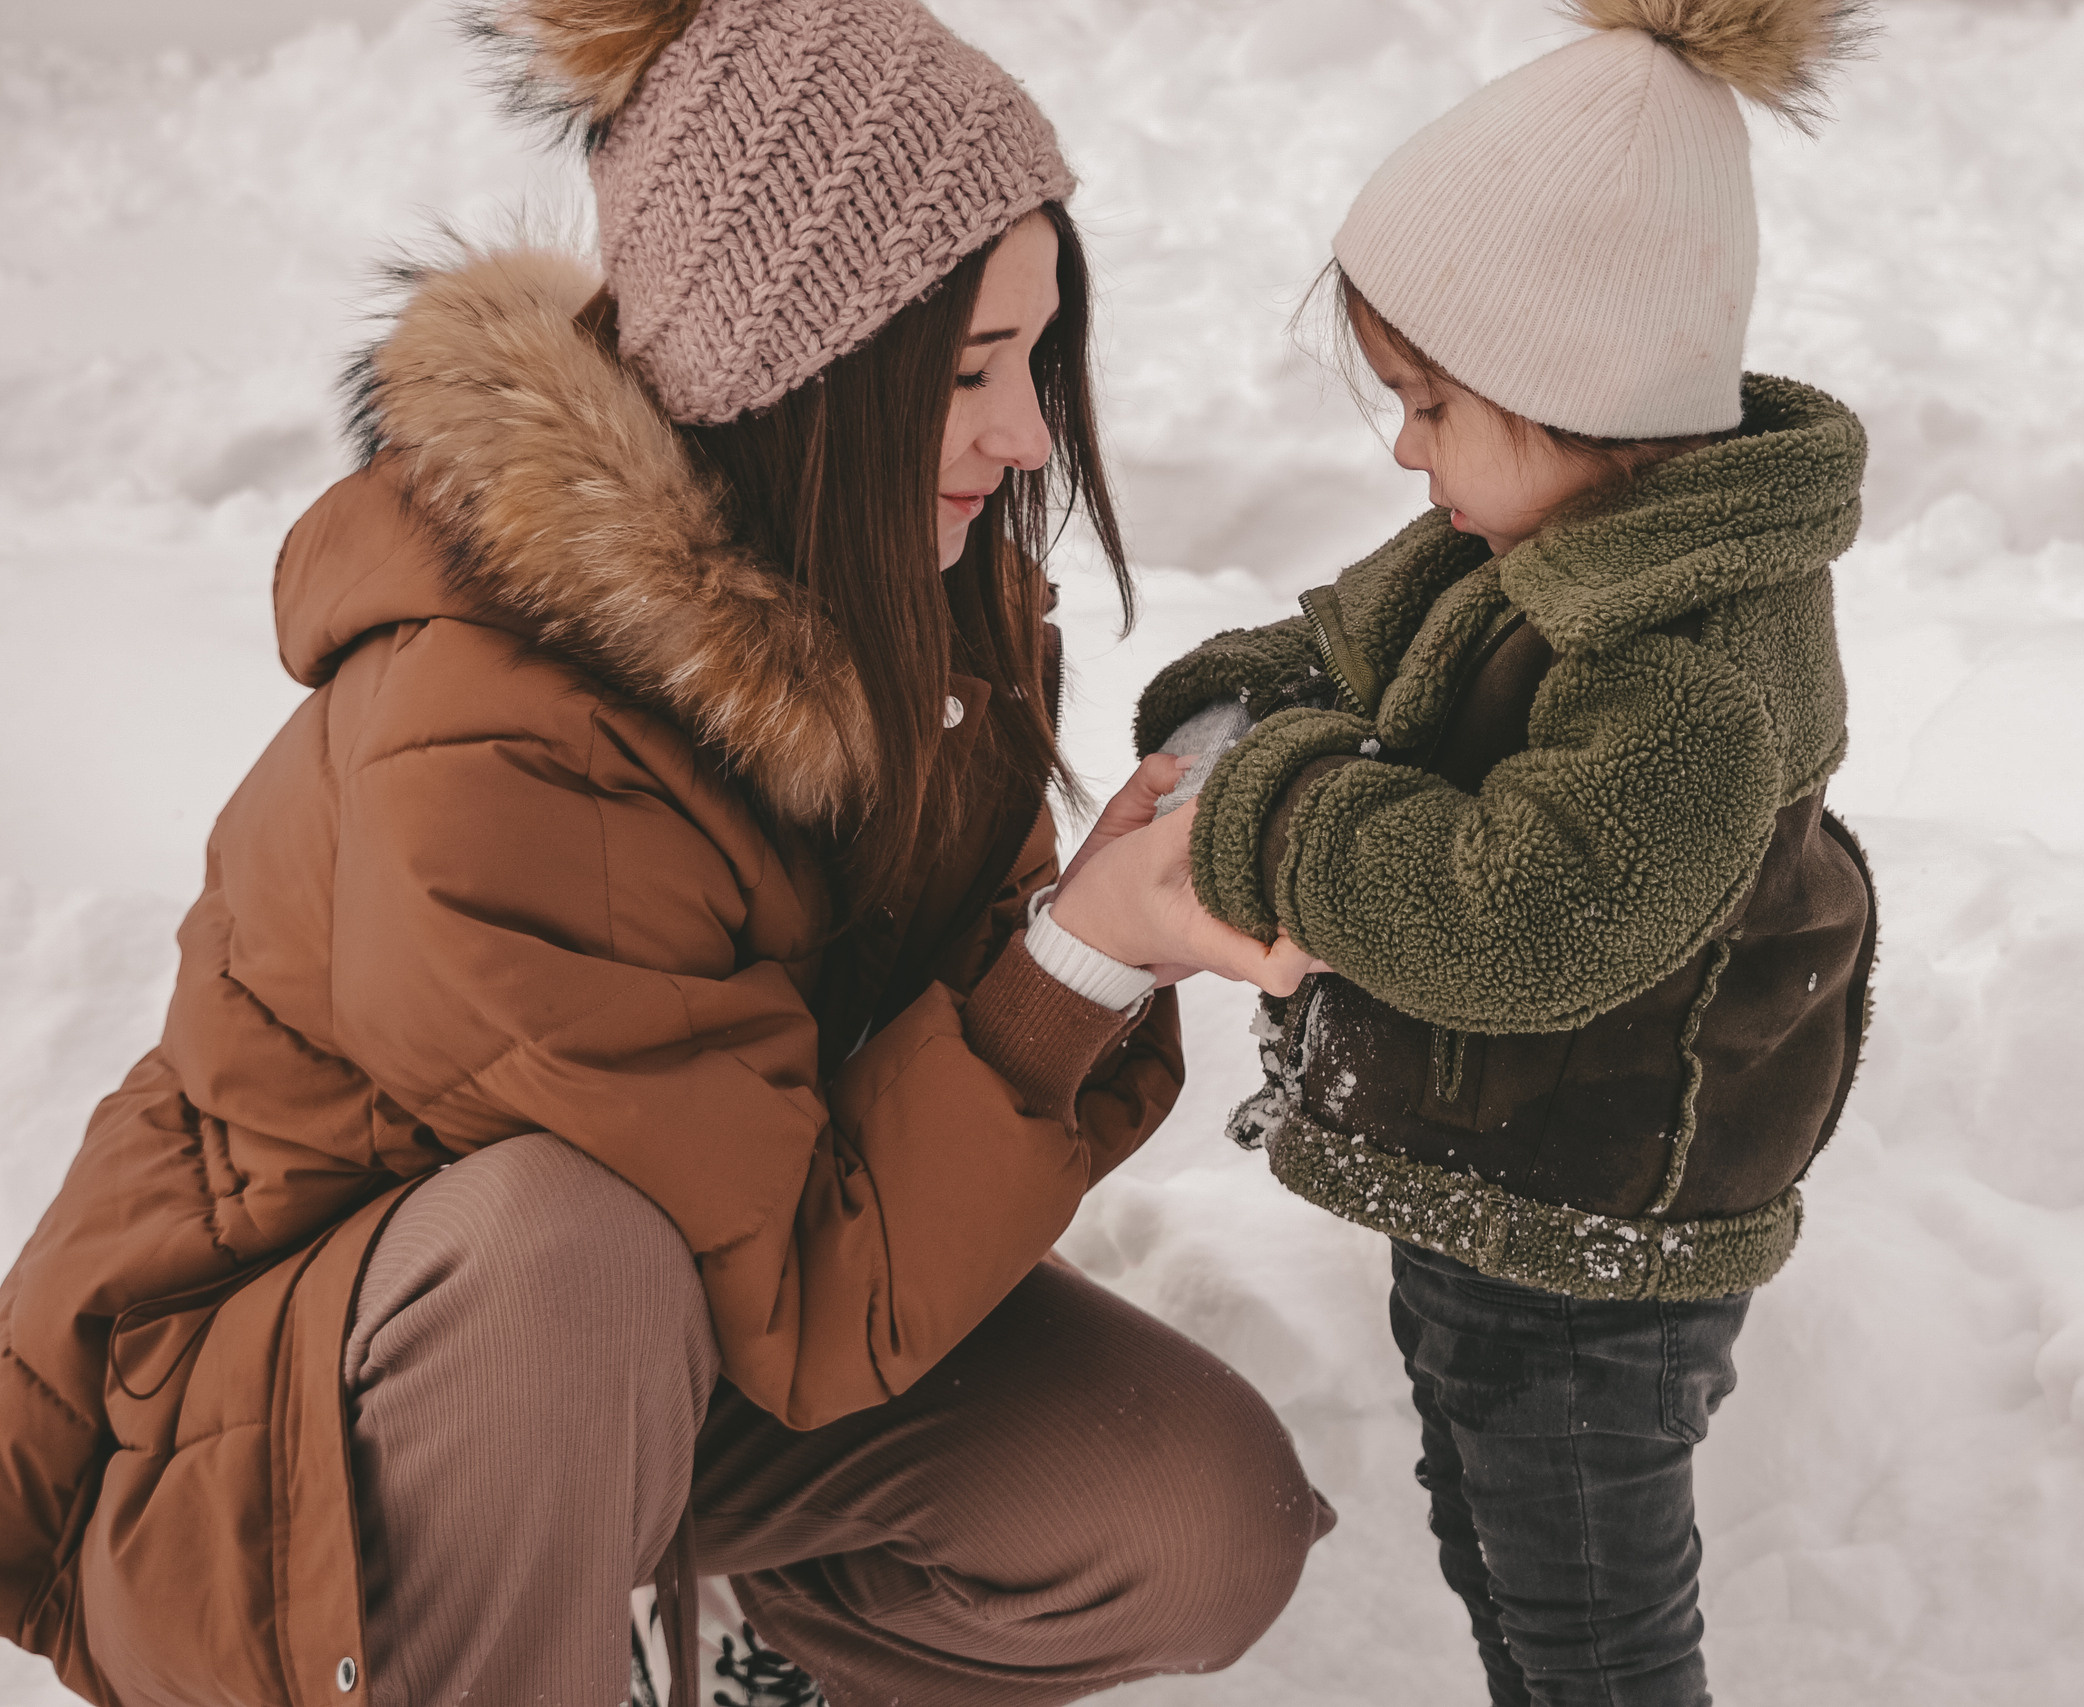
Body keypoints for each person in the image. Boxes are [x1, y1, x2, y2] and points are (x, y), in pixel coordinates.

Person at [0, 3, 1331, 1705]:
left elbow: (850, 1184)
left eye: (1037, 360)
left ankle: (728, 1633)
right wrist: (1077, 965)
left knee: (1187, 1517)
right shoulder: (491, 745)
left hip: (697, 1320)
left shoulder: (904, 602)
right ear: (798, 379)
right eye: (968, 373)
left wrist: (1102, 921)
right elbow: (815, 1290)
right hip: (273, 1449)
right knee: (573, 1248)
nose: (1026, 438)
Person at [1133, 1, 1879, 1701]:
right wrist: (1220, 715)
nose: (1404, 445)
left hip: (1596, 1247)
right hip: (1500, 1186)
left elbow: (1515, 920)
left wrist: (1275, 802)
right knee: (1498, 1546)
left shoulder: (1683, 668)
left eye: (1429, 402)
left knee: (1595, 1625)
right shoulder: (1534, 529)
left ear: (1574, 390)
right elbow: (1337, 651)